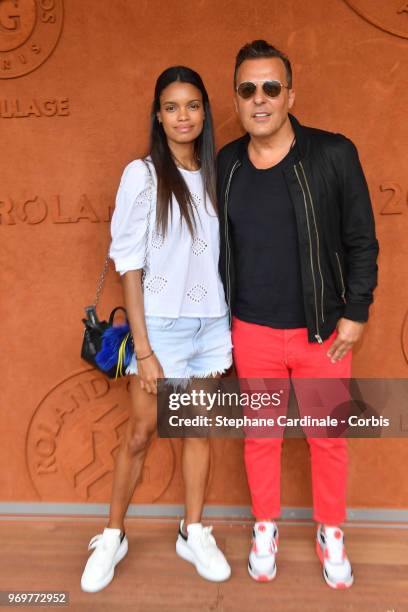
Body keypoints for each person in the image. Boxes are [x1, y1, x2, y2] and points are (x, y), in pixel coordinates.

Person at [217, 40, 378, 589]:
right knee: (260, 435)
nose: (259, 99)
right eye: (247, 89)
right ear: (235, 98)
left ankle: (330, 530)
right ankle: (266, 526)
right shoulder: (228, 164)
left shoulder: (332, 153)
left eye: (270, 87)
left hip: (322, 332)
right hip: (252, 329)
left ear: (290, 93)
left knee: (327, 437)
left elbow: (361, 239)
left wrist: (356, 310)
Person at [80, 66, 233, 592]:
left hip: (212, 325)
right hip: (160, 329)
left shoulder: (219, 173)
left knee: (197, 429)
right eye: (171, 107)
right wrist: (142, 349)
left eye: (192, 105)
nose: (183, 116)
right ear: (158, 115)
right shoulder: (142, 175)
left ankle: (193, 530)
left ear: (204, 113)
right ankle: (113, 534)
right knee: (142, 433)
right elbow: (128, 264)